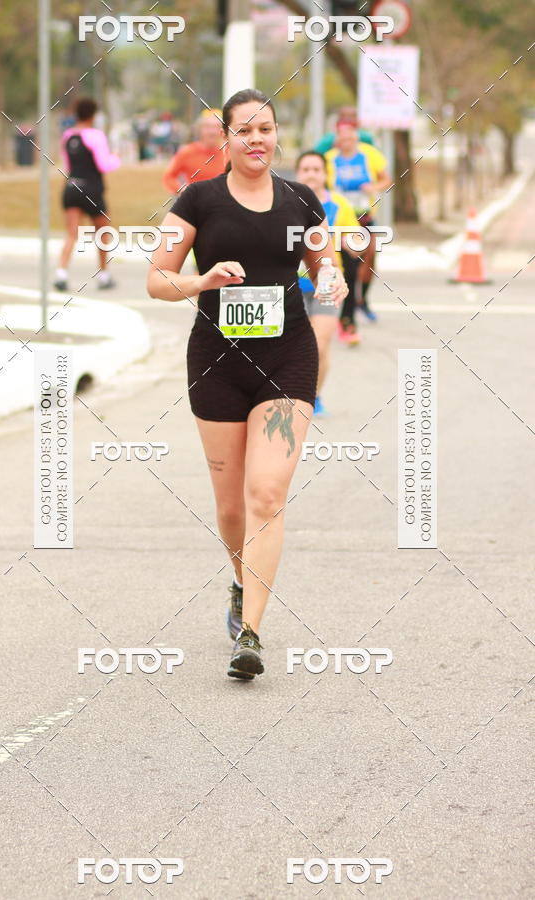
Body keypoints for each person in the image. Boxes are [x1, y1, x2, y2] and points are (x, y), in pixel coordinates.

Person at [147, 89, 348, 680]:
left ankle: (251, 633)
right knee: (232, 505)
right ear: (227, 138)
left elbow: (325, 265)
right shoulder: (199, 200)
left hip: (287, 359)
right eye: (245, 129)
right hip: (217, 362)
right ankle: (240, 582)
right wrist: (202, 280)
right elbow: (157, 279)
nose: (257, 139)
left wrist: (331, 280)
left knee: (266, 494)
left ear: (277, 135)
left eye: (266, 128)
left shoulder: (302, 199)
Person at [295, 151, 363, 416]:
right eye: (305, 169)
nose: (311, 174)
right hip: (291, 284)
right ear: (298, 173)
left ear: (325, 174)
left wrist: (352, 243)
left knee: (318, 344)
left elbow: (356, 240)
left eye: (316, 169)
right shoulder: (284, 201)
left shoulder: (339, 204)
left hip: (327, 281)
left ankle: (313, 395)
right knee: (290, 346)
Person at [323, 120, 392, 320]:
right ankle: (345, 306)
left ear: (356, 136)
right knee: (346, 261)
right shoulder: (329, 158)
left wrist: (373, 187)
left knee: (369, 257)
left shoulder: (369, 154)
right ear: (337, 139)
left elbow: (386, 179)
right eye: (342, 137)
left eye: (350, 136)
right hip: (341, 218)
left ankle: (363, 299)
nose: (346, 140)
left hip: (364, 215)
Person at [54, 97, 120, 292]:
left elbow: (67, 165)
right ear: (93, 115)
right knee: (102, 232)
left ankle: (61, 273)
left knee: (71, 233)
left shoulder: (68, 136)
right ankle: (103, 274)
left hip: (71, 187)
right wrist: (116, 159)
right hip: (92, 189)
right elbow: (103, 165)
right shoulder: (96, 136)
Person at [162, 109, 225, 194]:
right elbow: (169, 177)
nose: (212, 132)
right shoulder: (187, 152)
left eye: (217, 127)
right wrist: (183, 190)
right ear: (200, 129)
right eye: (208, 127)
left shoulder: (230, 153)